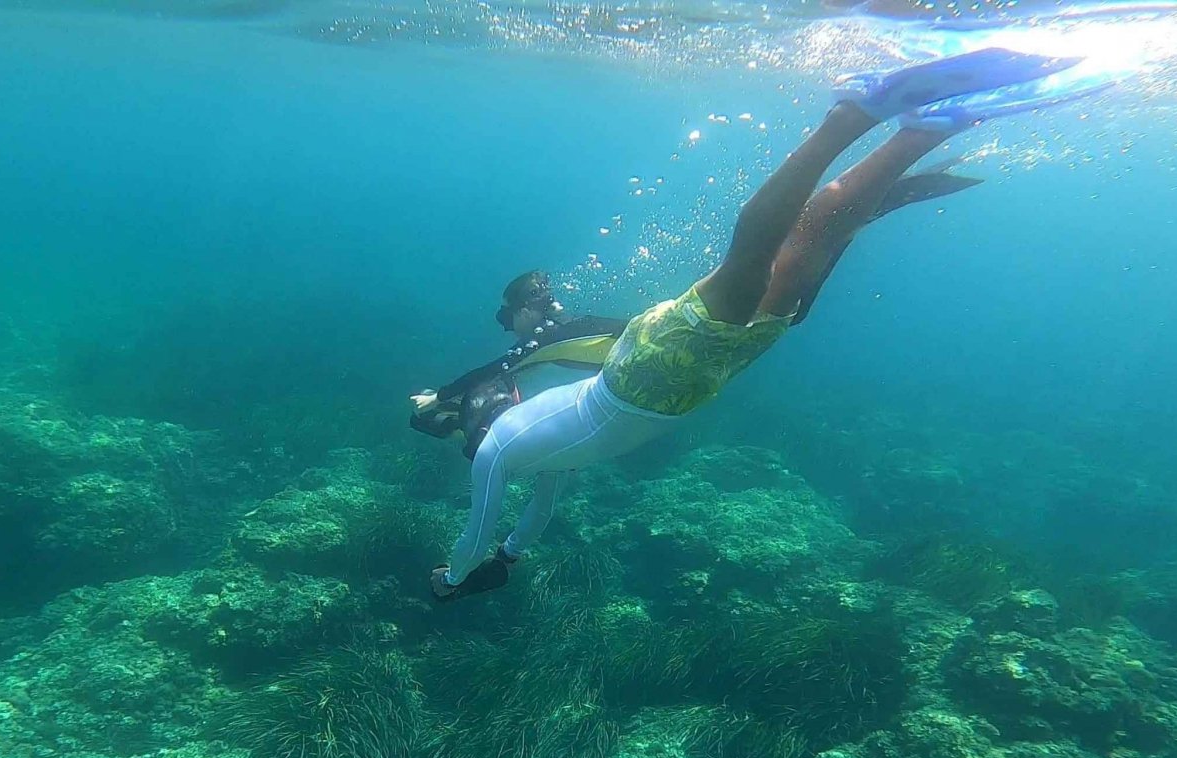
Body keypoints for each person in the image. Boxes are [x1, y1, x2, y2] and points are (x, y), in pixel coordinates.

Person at [429, 47, 1096, 601]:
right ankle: (900, 124)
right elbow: (518, 517)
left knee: (773, 253)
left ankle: (884, 122)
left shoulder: (505, 452)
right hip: (670, 376)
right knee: (786, 243)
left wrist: (460, 575)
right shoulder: (532, 449)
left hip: (667, 378)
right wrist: (498, 558)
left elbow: (485, 526)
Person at [410, 272, 627, 460]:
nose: (507, 328)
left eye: (506, 318)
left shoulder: (543, 338)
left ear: (524, 313)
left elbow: (491, 371)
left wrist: (438, 397)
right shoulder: (564, 326)